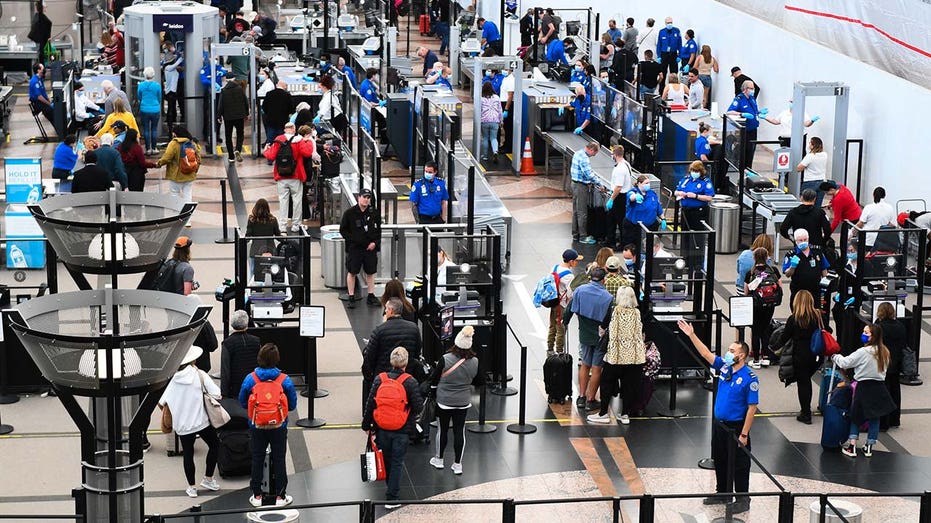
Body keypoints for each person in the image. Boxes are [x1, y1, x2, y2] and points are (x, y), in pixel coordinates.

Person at [678, 319, 758, 515]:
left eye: (732, 350)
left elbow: (752, 408)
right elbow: (705, 353)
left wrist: (745, 434)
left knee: (740, 463)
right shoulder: (725, 367)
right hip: (720, 425)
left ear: (741, 355)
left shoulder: (749, 378)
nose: (728, 352)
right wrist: (691, 335)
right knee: (720, 459)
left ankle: (742, 498)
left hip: (736, 426)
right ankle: (722, 492)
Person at [361, 347, 422, 509]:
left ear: (391, 361)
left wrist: (366, 425)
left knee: (386, 459)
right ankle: (391, 497)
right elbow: (418, 406)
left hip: (381, 427)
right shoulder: (410, 381)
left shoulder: (379, 379)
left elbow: (370, 404)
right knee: (397, 462)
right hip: (401, 429)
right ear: (406, 362)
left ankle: (390, 488)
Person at [158, 346, 221, 498]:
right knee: (215, 445)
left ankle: (192, 487)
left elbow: (162, 402)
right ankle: (208, 478)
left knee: (188, 454)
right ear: (192, 360)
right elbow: (216, 394)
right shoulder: (200, 375)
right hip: (202, 421)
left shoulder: (171, 380)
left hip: (182, 426)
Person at [239, 343, 298, 507]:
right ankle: (281, 496)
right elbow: (292, 404)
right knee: (279, 459)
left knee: (257, 458)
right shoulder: (284, 379)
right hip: (279, 426)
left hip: (256, 426)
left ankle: (257, 495)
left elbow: (243, 401)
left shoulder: (251, 378)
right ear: (276, 359)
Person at [833, 323, 896, 458]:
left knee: (856, 415)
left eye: (866, 333)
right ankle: (869, 446)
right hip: (879, 387)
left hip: (863, 386)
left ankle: (852, 446)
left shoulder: (863, 352)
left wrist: (835, 357)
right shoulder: (885, 351)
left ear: (873, 336)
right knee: (874, 416)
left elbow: (845, 363)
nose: (863, 334)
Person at [428, 326, 482, 474]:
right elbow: (479, 381)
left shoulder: (445, 359)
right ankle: (458, 464)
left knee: (442, 430)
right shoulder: (475, 362)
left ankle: (439, 459)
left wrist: (433, 393)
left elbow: (434, 379)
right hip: (463, 402)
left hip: (444, 401)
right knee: (460, 432)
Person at [587, 285, 643, 424]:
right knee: (629, 386)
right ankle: (624, 414)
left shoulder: (613, 311)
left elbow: (602, 328)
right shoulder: (637, 313)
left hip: (615, 356)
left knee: (606, 383)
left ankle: (603, 413)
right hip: (633, 357)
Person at [563, 267, 614, 412]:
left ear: (590, 278)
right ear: (604, 280)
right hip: (600, 338)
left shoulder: (580, 291)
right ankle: (591, 399)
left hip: (584, 334)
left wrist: (565, 322)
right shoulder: (608, 297)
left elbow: (569, 310)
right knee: (597, 367)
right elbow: (610, 319)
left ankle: (581, 397)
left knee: (585, 364)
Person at [361, 297, 422, 397]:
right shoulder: (413, 328)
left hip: (384, 378)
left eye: (386, 309)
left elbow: (369, 357)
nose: (385, 311)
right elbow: (417, 352)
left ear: (391, 311)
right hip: (406, 376)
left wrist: (369, 378)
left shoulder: (379, 330)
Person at [264, 122, 315, 232]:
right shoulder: (298, 140)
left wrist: (266, 150)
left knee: (283, 201)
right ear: (293, 129)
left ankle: (282, 225)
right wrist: (308, 140)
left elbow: (271, 156)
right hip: (296, 175)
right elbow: (307, 153)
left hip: (281, 176)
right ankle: (296, 225)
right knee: (297, 201)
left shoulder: (278, 139)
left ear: (285, 129)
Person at [339, 188, 382, 308]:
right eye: (364, 197)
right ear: (359, 197)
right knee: (352, 271)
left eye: (368, 198)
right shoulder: (350, 213)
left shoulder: (374, 213)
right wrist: (354, 240)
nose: (366, 200)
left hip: (370, 248)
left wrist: (375, 243)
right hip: (355, 248)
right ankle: (351, 296)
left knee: (370, 272)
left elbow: (378, 230)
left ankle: (371, 295)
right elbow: (343, 230)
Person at [745, 247, 783, 369]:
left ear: (754, 258)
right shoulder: (773, 270)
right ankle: (766, 357)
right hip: (769, 305)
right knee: (766, 329)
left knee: (756, 331)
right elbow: (780, 287)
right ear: (767, 257)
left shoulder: (750, 273)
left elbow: (746, 292)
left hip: (756, 306)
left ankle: (756, 359)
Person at [675, 160, 715, 268]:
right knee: (685, 235)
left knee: (697, 237)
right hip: (686, 211)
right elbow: (676, 191)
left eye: (696, 171)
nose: (694, 172)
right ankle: (685, 259)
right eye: (692, 170)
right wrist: (680, 193)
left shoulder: (705, 182)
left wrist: (696, 196)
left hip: (698, 212)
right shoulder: (686, 180)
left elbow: (709, 197)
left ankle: (697, 261)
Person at [875, 302, 905, 430]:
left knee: (883, 392)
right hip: (897, 361)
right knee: (895, 391)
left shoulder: (880, 327)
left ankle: (883, 422)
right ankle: (894, 419)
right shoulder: (900, 326)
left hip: (883, 362)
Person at [220, 309, 262, 398]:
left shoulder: (227, 343)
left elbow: (225, 370)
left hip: (235, 388)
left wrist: (224, 393)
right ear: (246, 324)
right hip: (254, 384)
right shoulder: (256, 341)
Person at [782, 228, 829, 308]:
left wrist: (825, 286)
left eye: (805, 239)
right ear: (796, 241)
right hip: (799, 292)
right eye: (800, 240)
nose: (803, 242)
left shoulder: (817, 252)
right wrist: (792, 266)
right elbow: (787, 274)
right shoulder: (791, 254)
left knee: (816, 315)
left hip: (815, 292)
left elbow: (824, 270)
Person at [569, 142, 605, 244]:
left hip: (574, 184)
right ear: (591, 150)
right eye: (594, 153)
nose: (594, 155)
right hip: (580, 186)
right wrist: (600, 183)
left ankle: (575, 234)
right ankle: (583, 237)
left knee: (576, 210)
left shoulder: (577, 153)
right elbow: (589, 174)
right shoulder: (584, 158)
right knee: (582, 212)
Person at [547, 249, 582, 354]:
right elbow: (570, 293)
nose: (577, 262)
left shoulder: (555, 267)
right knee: (561, 329)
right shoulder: (569, 276)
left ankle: (549, 348)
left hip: (552, 301)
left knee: (552, 325)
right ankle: (559, 351)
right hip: (561, 305)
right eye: (576, 260)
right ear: (571, 261)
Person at [156, 126, 200, 204]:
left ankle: (175, 211)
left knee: (174, 193)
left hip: (176, 175)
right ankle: (187, 212)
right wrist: (195, 170)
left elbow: (167, 157)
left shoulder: (174, 143)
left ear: (175, 134)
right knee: (187, 194)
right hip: (190, 174)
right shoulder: (192, 143)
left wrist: (159, 163)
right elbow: (198, 158)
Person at [622, 174, 665, 249]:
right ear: (639, 184)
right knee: (632, 248)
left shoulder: (652, 194)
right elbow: (631, 196)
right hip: (634, 227)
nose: (648, 185)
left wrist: (663, 218)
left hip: (650, 226)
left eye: (649, 183)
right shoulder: (633, 191)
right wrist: (636, 197)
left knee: (650, 246)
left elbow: (658, 208)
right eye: (646, 183)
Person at [726, 80, 761, 170]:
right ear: (745, 89)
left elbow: (754, 111)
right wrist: (741, 114)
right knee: (745, 151)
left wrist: (759, 113)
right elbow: (729, 112)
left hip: (753, 129)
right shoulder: (739, 99)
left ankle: (749, 169)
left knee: (751, 151)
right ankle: (743, 170)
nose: (753, 90)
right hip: (745, 131)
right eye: (752, 88)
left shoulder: (752, 98)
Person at [606, 145, 634, 249]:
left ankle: (622, 244)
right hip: (621, 196)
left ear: (615, 155)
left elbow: (618, 187)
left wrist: (611, 199)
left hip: (619, 197)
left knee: (619, 221)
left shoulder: (620, 169)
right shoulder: (626, 164)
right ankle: (611, 241)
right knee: (612, 219)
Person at [218, 77, 249, 163]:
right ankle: (238, 149)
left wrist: (219, 116)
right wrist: (246, 113)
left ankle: (231, 156)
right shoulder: (239, 89)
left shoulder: (224, 90)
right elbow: (245, 102)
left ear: (226, 80)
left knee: (228, 136)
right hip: (239, 116)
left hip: (228, 117)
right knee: (240, 134)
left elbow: (221, 105)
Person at [137, 67, 163, 155]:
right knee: (154, 129)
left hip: (144, 108)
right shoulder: (157, 85)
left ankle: (148, 149)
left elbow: (139, 96)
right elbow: (159, 97)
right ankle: (154, 148)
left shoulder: (141, 85)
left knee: (146, 129)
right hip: (155, 108)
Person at [797, 137, 828, 207]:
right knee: (817, 206)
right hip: (821, 182)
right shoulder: (825, 155)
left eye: (810, 143)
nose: (808, 144)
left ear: (813, 145)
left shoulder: (810, 156)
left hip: (809, 182)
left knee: (806, 205)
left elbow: (799, 168)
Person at [262, 82, 294, 148]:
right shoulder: (287, 95)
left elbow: (264, 107)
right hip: (282, 121)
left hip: (271, 120)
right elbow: (291, 109)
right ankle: (280, 153)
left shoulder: (269, 94)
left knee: (270, 138)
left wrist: (269, 114)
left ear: (277, 85)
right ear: (284, 86)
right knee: (281, 139)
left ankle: (270, 154)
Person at [695, 122, 725, 192]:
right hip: (703, 164)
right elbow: (703, 156)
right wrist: (710, 164)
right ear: (705, 131)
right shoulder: (703, 142)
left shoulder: (699, 139)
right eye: (709, 131)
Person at [162, 43, 184, 137]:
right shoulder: (168, 68)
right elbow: (176, 64)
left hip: (173, 91)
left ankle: (171, 123)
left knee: (172, 108)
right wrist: (180, 58)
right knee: (170, 110)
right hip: (170, 92)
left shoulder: (171, 68)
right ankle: (170, 127)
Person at [479, 82, 503, 162]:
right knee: (494, 138)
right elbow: (500, 110)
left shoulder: (481, 99)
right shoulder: (496, 97)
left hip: (484, 120)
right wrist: (501, 120)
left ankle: (485, 156)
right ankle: (495, 151)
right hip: (495, 120)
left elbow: (479, 110)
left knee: (485, 138)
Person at [655, 17, 681, 89]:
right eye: (668, 23)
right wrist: (659, 56)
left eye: (671, 22)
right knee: (663, 73)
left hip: (673, 54)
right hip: (664, 54)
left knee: (674, 73)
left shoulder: (677, 31)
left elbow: (679, 44)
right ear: (665, 23)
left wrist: (680, 56)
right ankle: (662, 90)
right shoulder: (661, 32)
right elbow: (659, 45)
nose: (670, 24)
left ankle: (675, 89)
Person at [28, 1, 53, 65]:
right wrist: (47, 37)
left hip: (40, 41)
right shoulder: (40, 18)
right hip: (40, 41)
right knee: (41, 58)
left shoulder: (38, 17)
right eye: (45, 7)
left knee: (42, 58)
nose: (45, 9)